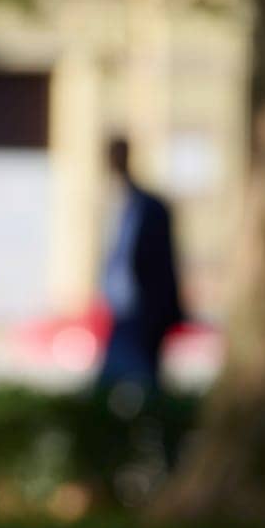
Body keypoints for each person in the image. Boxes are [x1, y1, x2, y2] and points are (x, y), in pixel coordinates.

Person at [96, 137, 187, 407]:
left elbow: (164, 265)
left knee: (144, 389)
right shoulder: (114, 204)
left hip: (144, 314)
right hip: (120, 313)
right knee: (112, 390)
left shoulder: (149, 207)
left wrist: (166, 314)